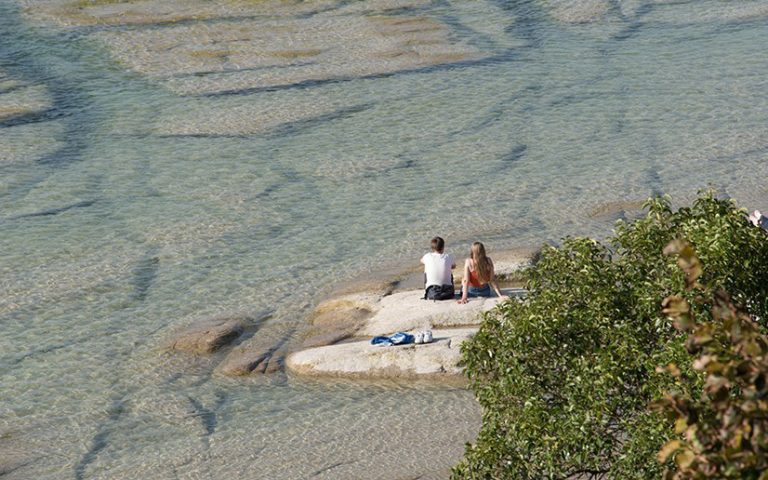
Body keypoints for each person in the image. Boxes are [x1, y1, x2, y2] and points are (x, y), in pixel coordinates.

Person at [421, 236, 456, 300]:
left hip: (432, 292)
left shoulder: (427, 256)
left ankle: (427, 289)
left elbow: (421, 261)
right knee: (449, 272)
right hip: (448, 292)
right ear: (443, 247)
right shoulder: (448, 256)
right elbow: (454, 266)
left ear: (432, 248)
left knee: (426, 271)